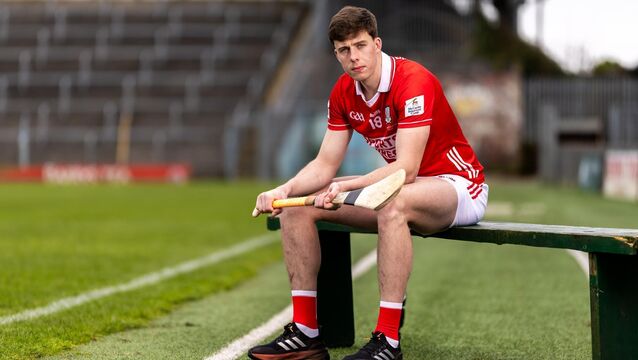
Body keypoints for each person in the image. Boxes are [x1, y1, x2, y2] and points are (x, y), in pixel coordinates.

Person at [249, 5, 488, 360]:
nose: (354, 56)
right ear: (336, 54)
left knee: (393, 202)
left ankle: (387, 341)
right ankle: (306, 335)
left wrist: (348, 187)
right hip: (404, 185)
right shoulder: (344, 92)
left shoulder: (413, 81)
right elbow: (324, 164)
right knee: (298, 209)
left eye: (360, 45)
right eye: (344, 50)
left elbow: (405, 169)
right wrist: (283, 191)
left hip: (455, 185)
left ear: (377, 43)